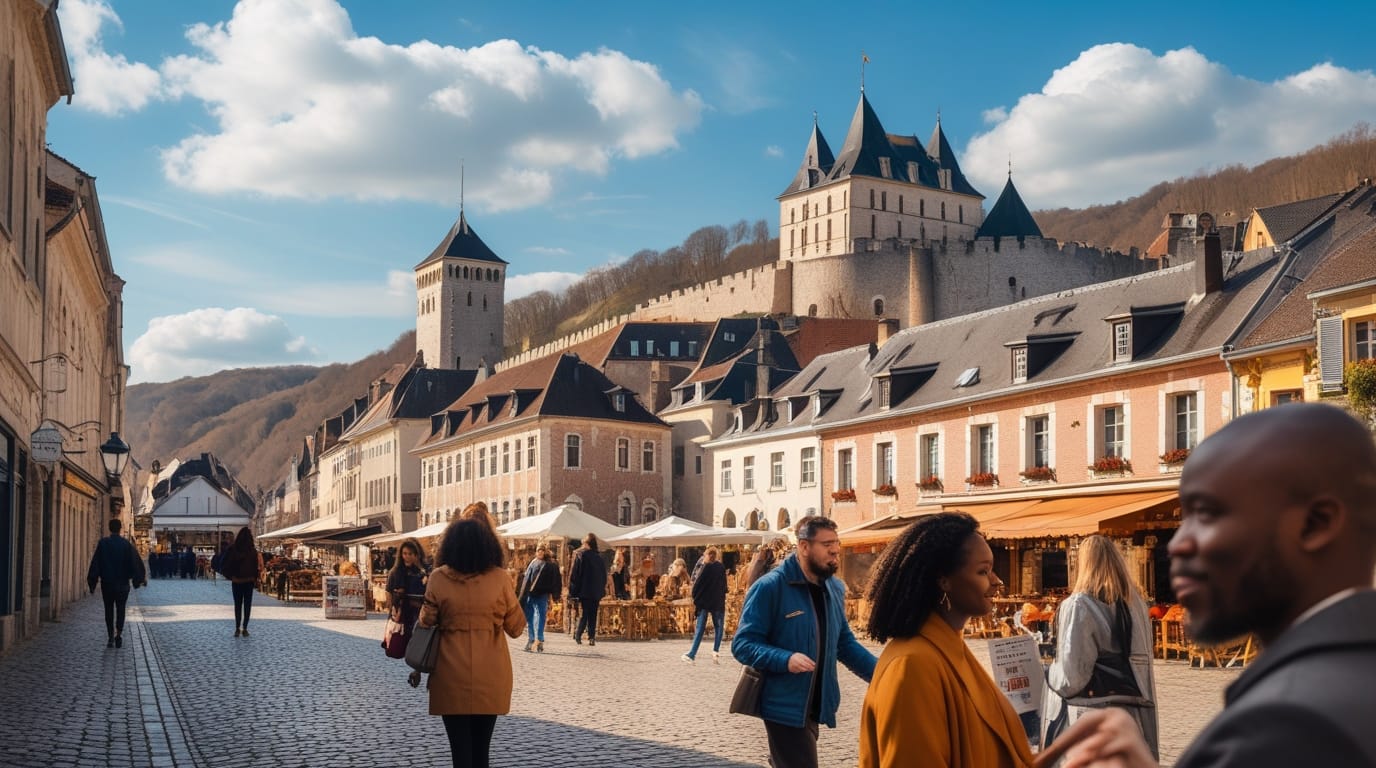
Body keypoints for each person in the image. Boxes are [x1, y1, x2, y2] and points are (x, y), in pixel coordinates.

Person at [1037, 404, 1376, 768]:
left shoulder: (1293, 721)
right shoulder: (1318, 686)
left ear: (1315, 525)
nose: (1179, 544)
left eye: (1210, 514)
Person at [858, 512, 1033, 767]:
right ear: (944, 580)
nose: (997, 581)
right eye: (983, 571)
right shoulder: (912, 666)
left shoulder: (950, 648)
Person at [732, 516, 877, 768]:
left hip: (815, 704)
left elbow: (844, 644)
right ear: (804, 547)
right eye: (826, 543)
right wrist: (785, 659)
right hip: (783, 705)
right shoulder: (770, 587)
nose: (835, 550)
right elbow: (743, 644)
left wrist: (883, 673)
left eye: (836, 542)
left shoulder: (834, 588)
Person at [418, 516, 524, 768]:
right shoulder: (499, 578)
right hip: (491, 674)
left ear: (449, 546)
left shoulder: (438, 578)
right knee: (481, 750)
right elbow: (517, 628)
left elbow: (426, 620)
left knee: (460, 751)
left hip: (450, 673)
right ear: (488, 546)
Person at [1041, 535, 1158, 757]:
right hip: (1132, 714)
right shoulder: (1135, 605)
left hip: (1091, 715)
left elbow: (1071, 678)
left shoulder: (1079, 604)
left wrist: (1047, 672)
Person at [86, 518, 146, 649]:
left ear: (109, 528)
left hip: (107, 583)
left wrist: (92, 582)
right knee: (121, 609)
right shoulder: (126, 545)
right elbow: (135, 562)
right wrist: (138, 579)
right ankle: (118, 634)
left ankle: (110, 636)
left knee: (108, 610)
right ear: (120, 529)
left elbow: (96, 563)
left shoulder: (103, 543)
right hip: (123, 584)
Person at [682, 546, 728, 664]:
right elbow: (724, 587)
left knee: (700, 628)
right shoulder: (721, 567)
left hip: (704, 603)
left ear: (707, 555)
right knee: (719, 627)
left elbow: (697, 585)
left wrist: (695, 598)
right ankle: (715, 652)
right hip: (717, 602)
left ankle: (692, 654)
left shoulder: (705, 567)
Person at [220, 527, 264, 637]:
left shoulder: (233, 549)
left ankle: (237, 628)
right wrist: (255, 578)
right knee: (247, 605)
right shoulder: (253, 551)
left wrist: (230, 576)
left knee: (238, 605)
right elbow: (256, 567)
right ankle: (245, 628)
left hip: (236, 581)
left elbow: (224, 563)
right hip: (249, 581)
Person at [517, 546, 561, 652]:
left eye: (542, 550)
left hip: (542, 594)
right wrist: (522, 595)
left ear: (546, 552)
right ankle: (531, 639)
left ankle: (540, 640)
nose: (540, 552)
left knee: (541, 617)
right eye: (538, 550)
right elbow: (526, 579)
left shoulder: (551, 564)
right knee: (530, 617)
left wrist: (555, 595)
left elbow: (556, 580)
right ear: (536, 552)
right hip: (531, 595)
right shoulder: (533, 562)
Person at [567, 532, 608, 646]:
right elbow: (604, 576)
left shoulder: (581, 556)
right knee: (593, 614)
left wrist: (572, 591)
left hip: (585, 590)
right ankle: (591, 637)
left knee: (584, 613)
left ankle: (579, 634)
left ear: (587, 544)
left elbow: (575, 575)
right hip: (596, 591)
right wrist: (601, 589)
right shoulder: (599, 558)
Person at [387, 537, 429, 636]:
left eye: (410, 554)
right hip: (400, 613)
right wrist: (392, 610)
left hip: (418, 612)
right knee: (398, 644)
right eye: (405, 554)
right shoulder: (395, 571)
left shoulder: (423, 570)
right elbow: (388, 592)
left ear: (417, 554)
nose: (407, 557)